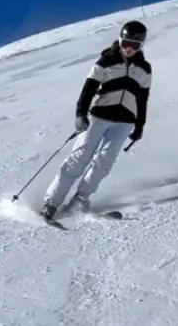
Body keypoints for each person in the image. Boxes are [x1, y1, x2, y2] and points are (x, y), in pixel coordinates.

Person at [40, 20, 151, 220]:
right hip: (99, 117)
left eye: (135, 46)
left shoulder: (144, 69)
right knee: (79, 158)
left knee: (104, 162)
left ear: (141, 46)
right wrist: (80, 114)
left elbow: (142, 100)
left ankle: (80, 199)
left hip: (124, 122)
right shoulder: (106, 61)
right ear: (120, 40)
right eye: (126, 43)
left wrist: (139, 126)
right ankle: (52, 202)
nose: (129, 49)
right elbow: (88, 89)